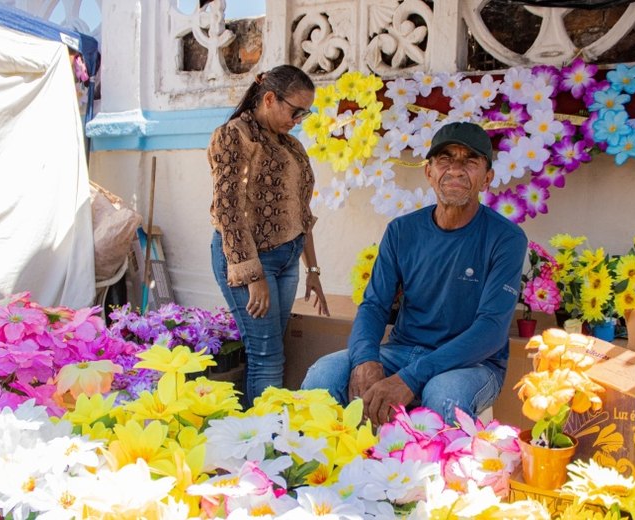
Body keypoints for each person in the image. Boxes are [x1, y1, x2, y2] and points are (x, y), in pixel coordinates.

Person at [302, 122, 527, 427]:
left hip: (472, 364)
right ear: (429, 173)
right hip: (401, 351)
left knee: (444, 394)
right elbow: (374, 305)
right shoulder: (402, 230)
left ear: (487, 179)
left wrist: (409, 378)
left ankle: (436, 476)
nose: (456, 170)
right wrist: (366, 359)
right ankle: (319, 470)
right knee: (323, 376)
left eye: (470, 161)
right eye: (445, 159)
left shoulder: (506, 238)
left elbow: (490, 330)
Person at [209, 65, 330, 408]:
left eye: (305, 114)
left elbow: (301, 214)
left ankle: (260, 435)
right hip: (249, 260)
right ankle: (263, 446)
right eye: (295, 111)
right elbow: (228, 209)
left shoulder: (290, 145)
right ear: (270, 98)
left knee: (271, 351)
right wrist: (253, 276)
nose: (298, 120)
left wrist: (314, 271)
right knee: (267, 356)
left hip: (288, 260)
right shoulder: (235, 135)